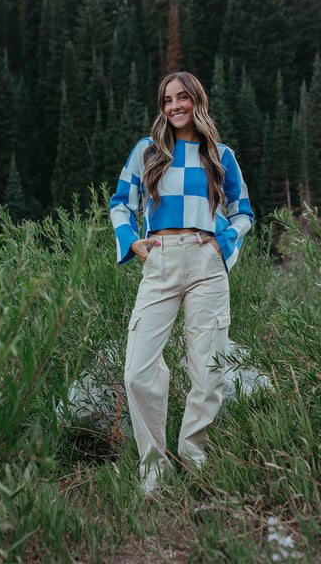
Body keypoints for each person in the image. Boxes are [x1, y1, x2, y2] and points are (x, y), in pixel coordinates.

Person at [110, 71, 253, 494]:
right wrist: (131, 242)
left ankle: (195, 462)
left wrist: (222, 246)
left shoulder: (220, 155)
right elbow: (121, 203)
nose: (174, 106)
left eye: (182, 98)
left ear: (196, 101)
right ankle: (154, 473)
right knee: (137, 370)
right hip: (159, 260)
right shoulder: (147, 151)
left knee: (208, 369)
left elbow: (243, 212)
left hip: (206, 263)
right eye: (167, 99)